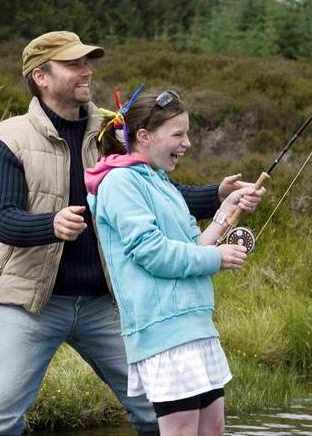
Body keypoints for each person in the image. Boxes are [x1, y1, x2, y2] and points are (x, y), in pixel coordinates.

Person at [0, 31, 263, 435]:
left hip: (105, 304)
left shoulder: (111, 130)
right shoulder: (9, 139)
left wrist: (218, 195)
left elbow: (156, 195)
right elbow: (4, 220)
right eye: (74, 65)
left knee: (160, 413)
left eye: (87, 62)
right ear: (41, 76)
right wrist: (49, 224)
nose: (87, 71)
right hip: (31, 303)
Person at [85, 87, 264, 436]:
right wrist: (216, 257)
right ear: (143, 136)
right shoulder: (120, 183)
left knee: (213, 430)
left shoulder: (159, 180)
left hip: (194, 327)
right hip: (164, 334)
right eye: (178, 134)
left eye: (188, 133)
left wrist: (225, 213)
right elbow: (153, 253)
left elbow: (189, 245)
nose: (187, 143)